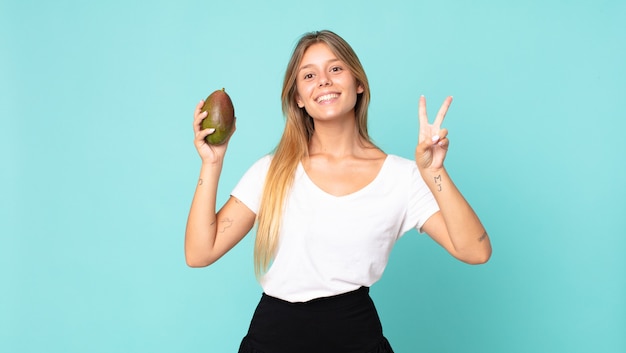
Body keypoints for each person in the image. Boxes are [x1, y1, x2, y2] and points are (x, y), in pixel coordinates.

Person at [185, 29, 492, 353]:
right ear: (298, 98)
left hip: (355, 336)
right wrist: (212, 162)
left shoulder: (402, 177)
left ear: (358, 83)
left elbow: (475, 251)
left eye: (335, 69)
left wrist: (435, 173)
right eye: (309, 74)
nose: (324, 81)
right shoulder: (272, 171)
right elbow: (200, 252)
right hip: (273, 339)